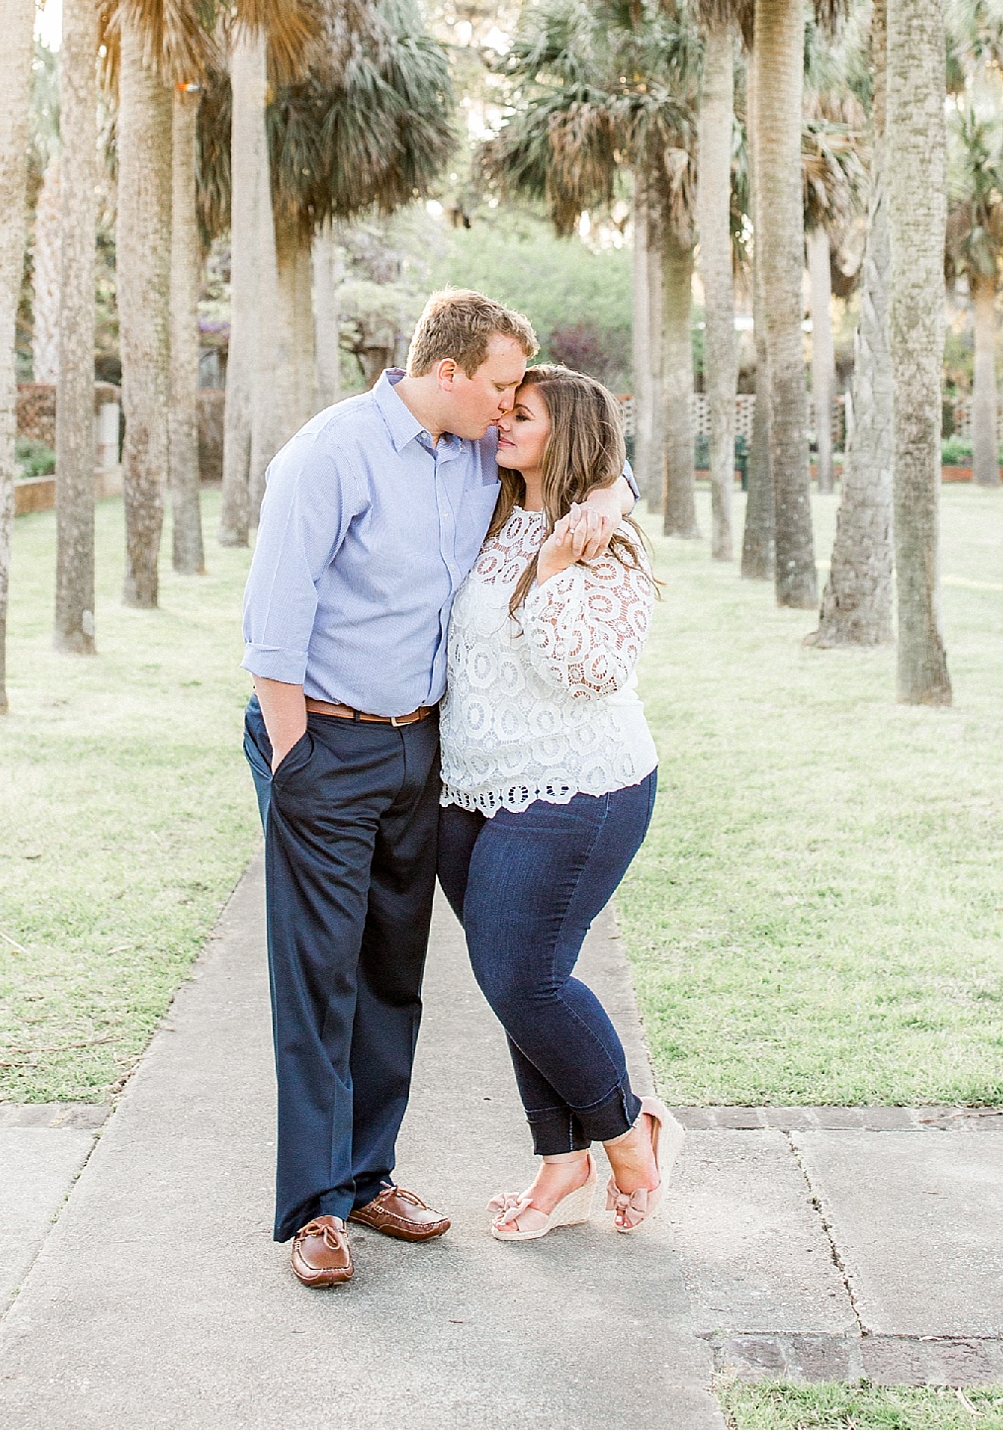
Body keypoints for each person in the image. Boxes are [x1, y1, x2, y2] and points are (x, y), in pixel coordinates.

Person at [241, 290, 636, 1290]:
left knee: (390, 975)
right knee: (318, 974)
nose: (509, 406)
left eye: (517, 395)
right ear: (450, 370)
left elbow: (594, 456)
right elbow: (273, 623)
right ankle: (316, 1209)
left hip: (421, 754)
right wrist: (296, 761)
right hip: (323, 743)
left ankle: (369, 1175)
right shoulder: (328, 453)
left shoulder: (472, 450)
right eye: (501, 383)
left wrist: (612, 499)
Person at [438, 363, 685, 1242]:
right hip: (468, 793)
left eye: (523, 414)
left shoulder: (608, 547)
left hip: (579, 787)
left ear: (568, 434)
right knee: (519, 985)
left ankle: (624, 1134)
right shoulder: (489, 507)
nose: (500, 420)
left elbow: (591, 672)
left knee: (522, 976)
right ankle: (560, 1157)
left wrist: (552, 566)